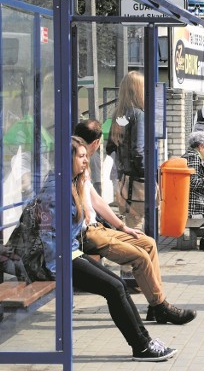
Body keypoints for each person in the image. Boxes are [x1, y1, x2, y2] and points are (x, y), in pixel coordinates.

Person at [39, 136, 177, 361]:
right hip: (58, 258)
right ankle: (141, 347)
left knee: (119, 285)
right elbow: (50, 235)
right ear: (67, 158)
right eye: (81, 157)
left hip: (70, 252)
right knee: (113, 287)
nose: (86, 161)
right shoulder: (57, 188)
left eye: (86, 156)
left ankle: (145, 342)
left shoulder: (71, 182)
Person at [74, 119, 196, 325]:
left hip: (98, 229)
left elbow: (97, 201)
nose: (86, 158)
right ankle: (161, 307)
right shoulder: (73, 167)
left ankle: (156, 306)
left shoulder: (82, 166)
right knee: (139, 257)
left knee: (148, 243)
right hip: (87, 234)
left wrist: (123, 227)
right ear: (95, 143)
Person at [107, 71, 147, 230]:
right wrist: (147, 174)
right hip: (137, 179)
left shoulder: (118, 114)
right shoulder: (139, 115)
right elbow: (139, 150)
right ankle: (136, 253)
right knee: (137, 223)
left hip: (121, 177)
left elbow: (110, 147)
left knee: (131, 220)